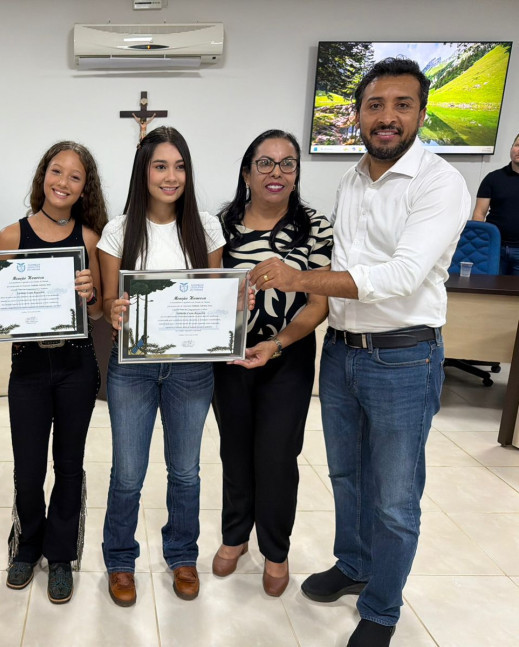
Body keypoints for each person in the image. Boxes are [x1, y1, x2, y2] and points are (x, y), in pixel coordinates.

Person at [251, 59, 470, 646]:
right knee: (347, 475)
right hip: (344, 353)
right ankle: (353, 564)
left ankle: (381, 607)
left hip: (404, 357)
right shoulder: (352, 181)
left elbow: (398, 276)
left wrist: (295, 280)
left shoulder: (440, 183)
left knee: (395, 495)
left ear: (421, 113)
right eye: (375, 105)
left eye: (402, 104)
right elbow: (341, 266)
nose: (387, 117)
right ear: (358, 114)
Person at [99, 126, 224, 606]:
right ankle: (120, 558)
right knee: (128, 472)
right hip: (134, 367)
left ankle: (182, 553)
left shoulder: (207, 227)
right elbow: (111, 302)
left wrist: (233, 304)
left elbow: (214, 294)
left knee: (186, 470)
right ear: (143, 172)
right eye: (160, 166)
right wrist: (113, 310)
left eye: (179, 166)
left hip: (191, 368)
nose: (171, 177)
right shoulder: (118, 229)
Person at [212, 130, 332, 597]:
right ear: (246, 172)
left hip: (288, 353)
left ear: (297, 172)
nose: (276, 173)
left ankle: (276, 550)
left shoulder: (316, 227)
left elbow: (318, 304)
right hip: (230, 354)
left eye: (287, 163)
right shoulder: (220, 225)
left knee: (278, 455)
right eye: (264, 163)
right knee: (234, 449)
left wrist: (278, 343)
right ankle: (235, 536)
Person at [0, 141, 108, 604]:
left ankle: (60, 555)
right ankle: (27, 547)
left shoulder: (91, 239)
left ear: (85, 189)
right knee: (27, 468)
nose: (63, 182)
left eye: (75, 177)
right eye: (56, 172)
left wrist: (88, 294)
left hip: (76, 365)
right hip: (27, 367)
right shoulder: (9, 235)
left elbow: (100, 313)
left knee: (69, 465)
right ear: (43, 175)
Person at [472, 132, 519, 274]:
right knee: (490, 290)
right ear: (511, 148)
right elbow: (479, 213)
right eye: (517, 145)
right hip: (494, 247)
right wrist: (479, 244)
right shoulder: (493, 178)